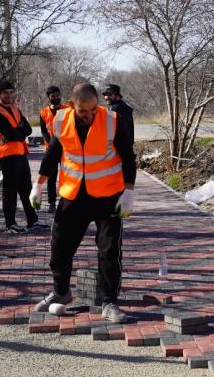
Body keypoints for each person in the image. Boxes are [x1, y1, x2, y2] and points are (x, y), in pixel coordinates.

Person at [35, 83, 137, 324]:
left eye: (93, 110)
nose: (89, 115)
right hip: (74, 195)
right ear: (72, 106)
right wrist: (38, 184)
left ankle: (109, 301)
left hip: (108, 196)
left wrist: (129, 191)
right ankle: (61, 292)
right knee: (60, 246)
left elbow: (127, 156)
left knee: (109, 250)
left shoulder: (112, 120)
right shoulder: (61, 121)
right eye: (83, 111)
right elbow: (52, 154)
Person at [0, 80, 40, 233]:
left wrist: (17, 131)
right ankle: (10, 224)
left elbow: (28, 130)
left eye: (11, 92)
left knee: (26, 188)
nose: (9, 95)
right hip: (7, 156)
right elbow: (12, 134)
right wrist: (18, 130)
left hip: (20, 154)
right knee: (10, 191)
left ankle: (33, 220)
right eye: (6, 93)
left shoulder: (14, 109)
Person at [38, 86, 71, 212]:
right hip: (51, 149)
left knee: (67, 176)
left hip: (66, 149)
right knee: (51, 177)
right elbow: (43, 130)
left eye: (58, 95)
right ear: (49, 98)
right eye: (53, 96)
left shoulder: (68, 109)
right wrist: (51, 142)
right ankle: (52, 203)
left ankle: (67, 201)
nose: (56, 98)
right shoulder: (43, 112)